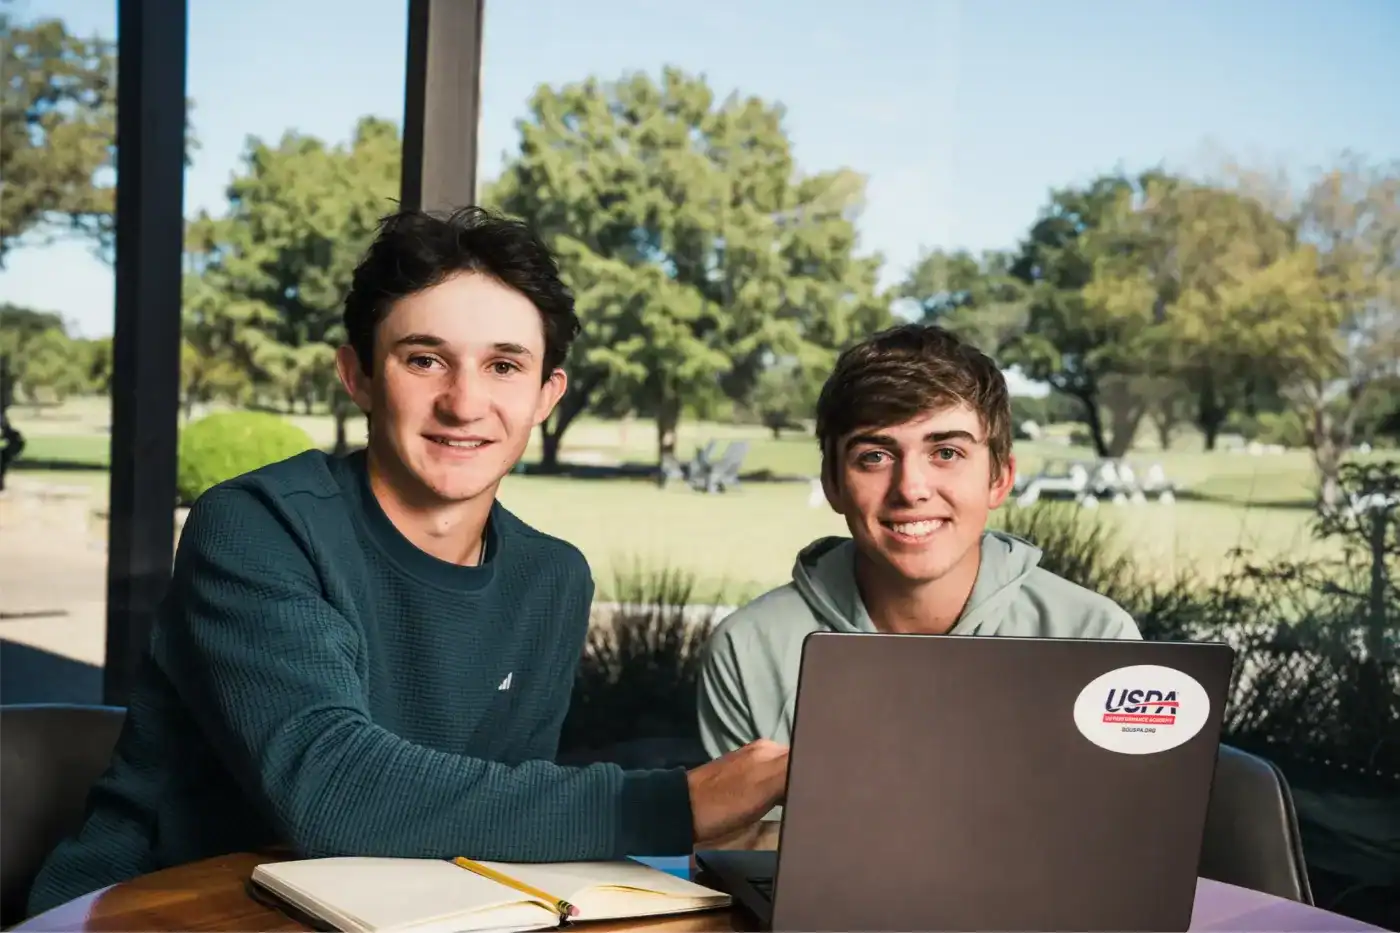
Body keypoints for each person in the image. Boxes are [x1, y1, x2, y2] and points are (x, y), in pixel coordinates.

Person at [27, 207, 787, 917]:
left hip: (384, 917)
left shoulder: (552, 579)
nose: (464, 402)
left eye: (504, 366)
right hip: (150, 911)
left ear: (546, 394)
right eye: (425, 359)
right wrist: (676, 802)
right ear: (356, 374)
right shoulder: (258, 526)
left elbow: (495, 823)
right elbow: (330, 788)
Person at [694, 323, 1139, 848]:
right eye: (875, 456)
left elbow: (1116, 849)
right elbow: (734, 867)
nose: (911, 489)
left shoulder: (1095, 635)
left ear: (999, 477)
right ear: (834, 484)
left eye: (946, 452)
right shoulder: (748, 648)